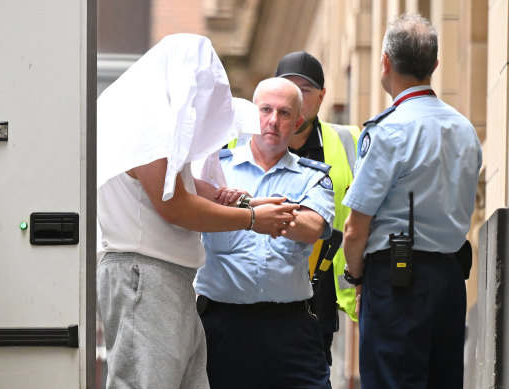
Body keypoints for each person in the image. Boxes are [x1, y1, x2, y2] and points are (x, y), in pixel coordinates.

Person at [96, 34, 299, 389]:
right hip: (144, 275)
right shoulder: (148, 114)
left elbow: (178, 183)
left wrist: (241, 202)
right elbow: (173, 204)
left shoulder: (142, 105)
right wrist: (252, 219)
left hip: (159, 276)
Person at [341, 14, 482, 388]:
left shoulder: (388, 131)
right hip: (451, 281)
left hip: (397, 281)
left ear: (385, 61)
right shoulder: (465, 130)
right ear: (434, 65)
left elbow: (355, 229)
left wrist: (354, 277)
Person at [194, 77, 335, 389]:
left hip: (290, 328)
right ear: (250, 115)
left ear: (298, 122)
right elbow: (189, 212)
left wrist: (244, 207)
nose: (273, 121)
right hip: (222, 325)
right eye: (266, 110)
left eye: (284, 114)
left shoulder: (313, 177)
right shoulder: (215, 170)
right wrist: (273, 213)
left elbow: (312, 228)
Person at [275, 50, 361, 365]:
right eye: (287, 88)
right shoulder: (239, 143)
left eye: (305, 91)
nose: (295, 99)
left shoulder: (351, 142)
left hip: (318, 306)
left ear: (322, 96)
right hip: (252, 303)